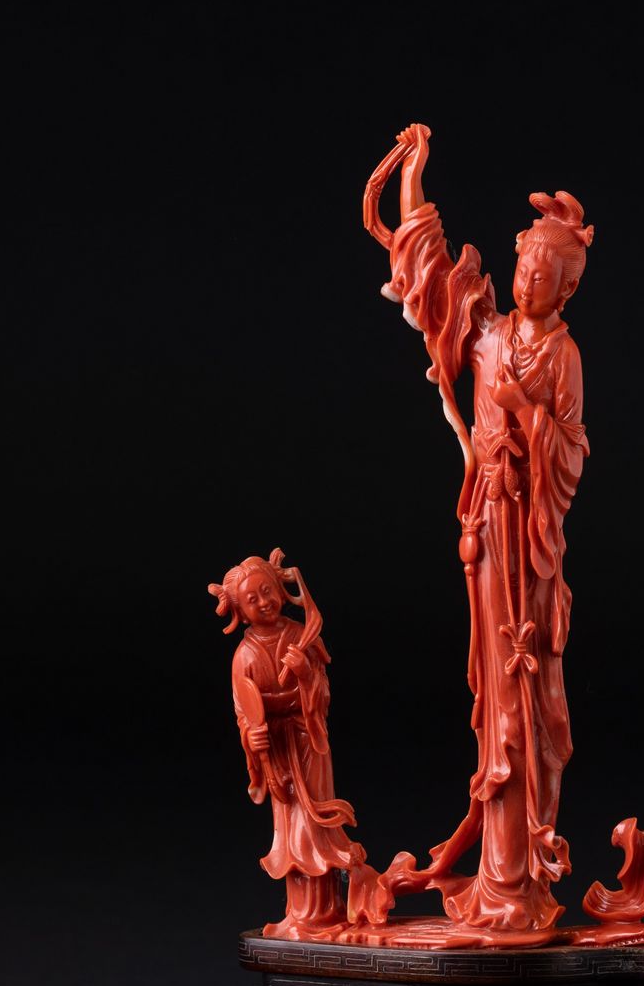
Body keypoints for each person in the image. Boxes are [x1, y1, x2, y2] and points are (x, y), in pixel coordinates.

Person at [365, 124, 593, 938]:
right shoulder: (490, 333)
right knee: (495, 690)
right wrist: (413, 176)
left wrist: (526, 414)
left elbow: (572, 451)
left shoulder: (561, 357)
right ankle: (497, 874)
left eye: (544, 276)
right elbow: (431, 283)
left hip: (530, 542)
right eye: (524, 267)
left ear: (565, 290)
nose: (527, 281)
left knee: (529, 696)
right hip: (488, 528)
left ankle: (520, 873)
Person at [208, 550, 390, 939]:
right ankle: (303, 915)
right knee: (293, 829)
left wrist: (307, 675)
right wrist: (253, 738)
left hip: (307, 736)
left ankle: (328, 912)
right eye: (252, 599)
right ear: (240, 611)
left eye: (267, 591)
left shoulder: (301, 636)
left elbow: (322, 694)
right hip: (277, 750)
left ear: (280, 588)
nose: (264, 602)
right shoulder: (244, 655)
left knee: (317, 824)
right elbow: (244, 711)